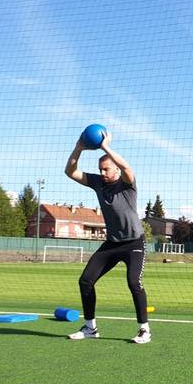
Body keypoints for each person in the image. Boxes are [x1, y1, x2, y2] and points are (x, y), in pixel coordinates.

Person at [63, 132, 151, 344]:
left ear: (116, 170)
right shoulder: (98, 183)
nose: (102, 173)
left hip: (133, 243)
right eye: (100, 169)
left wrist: (105, 147)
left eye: (106, 169)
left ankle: (144, 330)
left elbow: (128, 168)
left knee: (133, 282)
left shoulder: (127, 184)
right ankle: (90, 328)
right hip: (112, 243)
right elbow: (70, 172)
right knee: (85, 280)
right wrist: (78, 148)